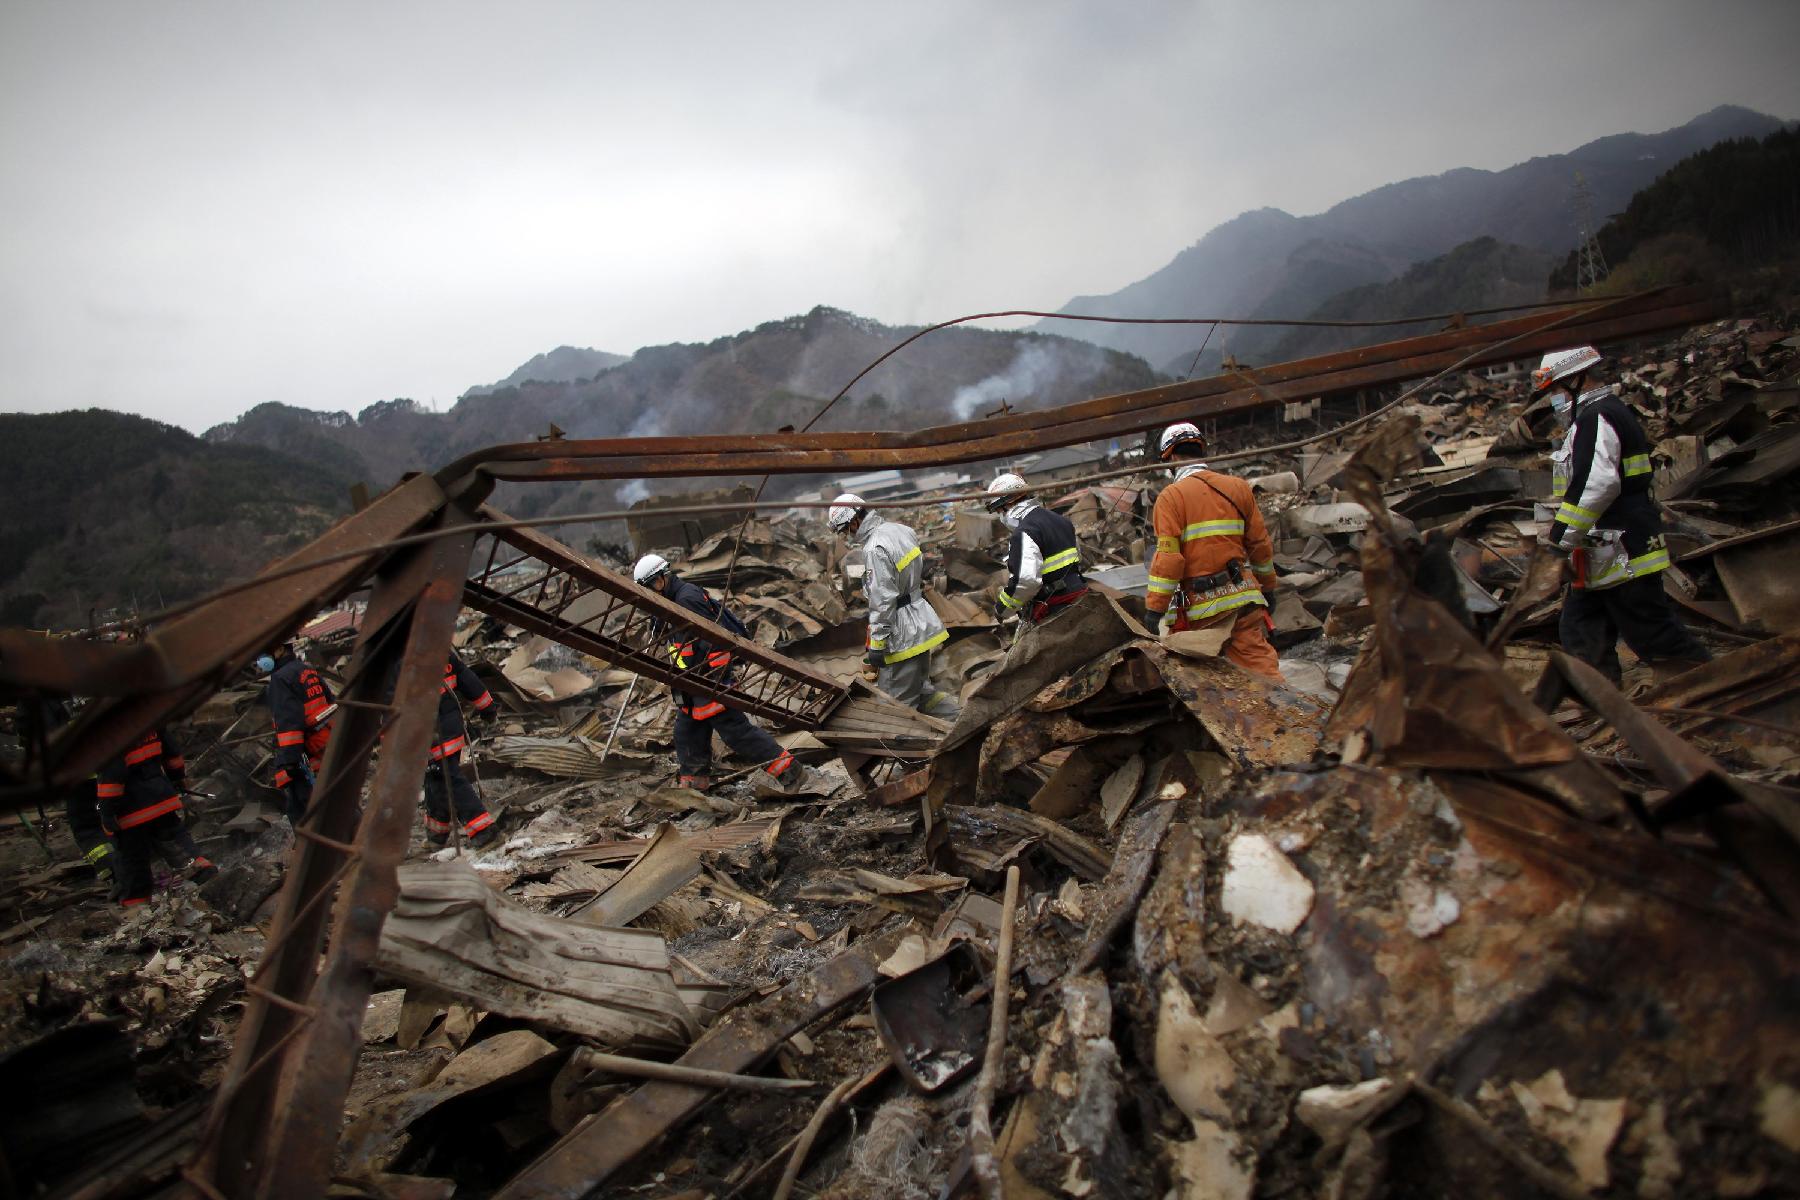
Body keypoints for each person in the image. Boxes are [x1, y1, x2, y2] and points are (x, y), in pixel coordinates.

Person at [1537, 345, 1710, 683]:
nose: (1554, 398)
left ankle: (1714, 684)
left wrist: (1560, 539)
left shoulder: (1597, 416)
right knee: (1580, 630)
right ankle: (1603, 702)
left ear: (1576, 380)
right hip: (1598, 554)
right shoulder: (1596, 417)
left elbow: (1597, 484)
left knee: (1651, 632)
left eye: (1556, 389)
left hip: (1622, 550)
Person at [633, 553, 811, 794]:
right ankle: (694, 791)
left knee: (738, 735)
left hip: (709, 683)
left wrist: (716, 681)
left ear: (659, 581)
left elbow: (715, 641)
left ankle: (792, 772)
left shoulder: (687, 599)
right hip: (691, 686)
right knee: (687, 734)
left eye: (648, 589)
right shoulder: (669, 602)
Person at [1145, 423, 1284, 682]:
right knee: (1263, 675)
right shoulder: (1238, 487)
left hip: (1201, 611)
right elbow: (1260, 546)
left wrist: (1155, 609)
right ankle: (1285, 718)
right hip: (1243, 597)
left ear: (1172, 457)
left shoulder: (1171, 498)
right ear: (1201, 450)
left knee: (1207, 684)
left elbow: (1169, 559)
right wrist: (1269, 587)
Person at [826, 494, 958, 715]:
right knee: (923, 694)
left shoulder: (874, 548)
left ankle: (904, 748)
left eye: (845, 530)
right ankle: (961, 721)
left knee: (895, 709)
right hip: (921, 622)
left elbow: (883, 601)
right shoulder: (901, 530)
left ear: (855, 522)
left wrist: (877, 645)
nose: (846, 536)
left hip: (901, 635)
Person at [96, 725, 216, 907]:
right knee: (176, 839)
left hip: (131, 811)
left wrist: (107, 812)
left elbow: (113, 777)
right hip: (162, 798)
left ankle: (136, 906)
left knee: (133, 859)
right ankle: (199, 867)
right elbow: (173, 754)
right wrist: (177, 778)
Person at [984, 473, 1089, 624]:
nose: (1000, 516)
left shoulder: (1024, 532)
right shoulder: (1061, 520)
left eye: (999, 511)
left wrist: (1002, 609)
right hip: (1081, 595)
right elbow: (1079, 557)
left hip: (1055, 607)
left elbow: (1026, 581)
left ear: (1007, 504)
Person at [423, 651, 500, 847]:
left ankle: (484, 830)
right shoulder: (440, 651)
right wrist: (488, 708)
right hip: (449, 728)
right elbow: (467, 679)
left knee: (447, 777)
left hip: (432, 734)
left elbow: (391, 705)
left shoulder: (400, 663)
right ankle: (436, 832)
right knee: (436, 776)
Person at [260, 641, 335, 823]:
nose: (261, 660)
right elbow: (330, 700)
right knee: (331, 797)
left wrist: (289, 762)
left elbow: (289, 723)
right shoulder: (306, 669)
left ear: (279, 649)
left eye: (265, 653)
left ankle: (316, 846)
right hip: (325, 742)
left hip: (305, 754)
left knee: (302, 811)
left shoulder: (280, 679)